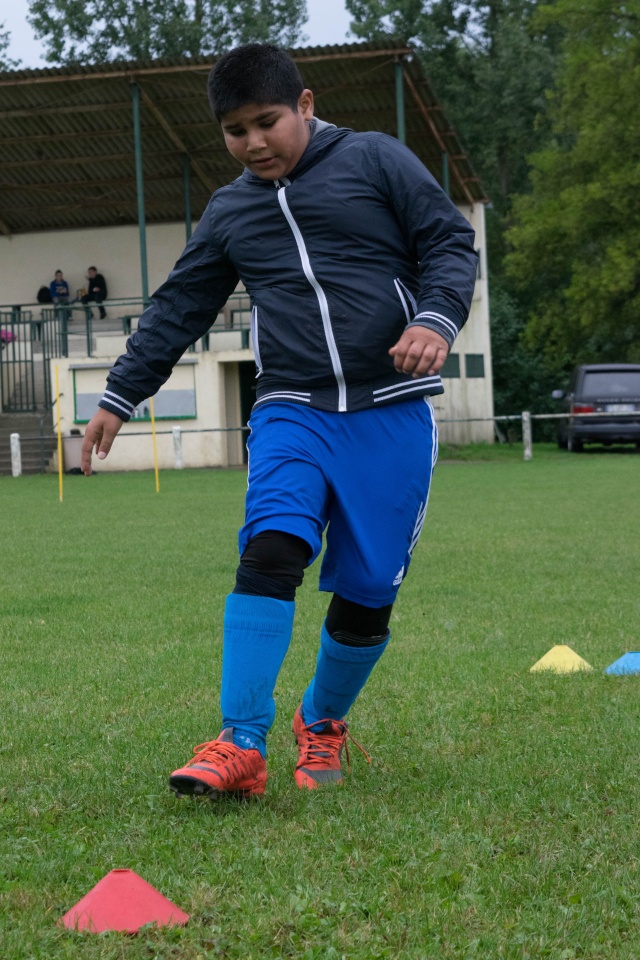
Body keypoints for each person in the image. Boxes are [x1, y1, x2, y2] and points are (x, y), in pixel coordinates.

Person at [80, 43, 478, 799]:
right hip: (291, 406)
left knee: (368, 592)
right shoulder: (232, 210)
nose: (254, 143)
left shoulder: (376, 161)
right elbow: (178, 309)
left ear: (304, 104)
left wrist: (435, 319)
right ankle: (240, 742)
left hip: (389, 408)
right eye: (235, 131)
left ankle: (322, 724)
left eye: (266, 122)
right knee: (271, 547)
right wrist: (119, 395)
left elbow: (448, 243)